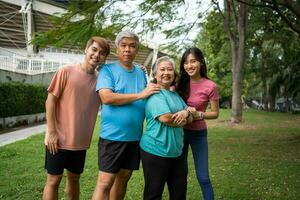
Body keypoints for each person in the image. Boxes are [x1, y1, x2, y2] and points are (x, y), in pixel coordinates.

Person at [92, 30, 161, 200]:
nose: (127, 49)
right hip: (112, 138)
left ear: (137, 50)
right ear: (117, 49)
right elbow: (106, 97)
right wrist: (140, 95)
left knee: (123, 179)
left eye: (132, 46)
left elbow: (150, 99)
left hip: (134, 138)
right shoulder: (108, 70)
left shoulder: (141, 72)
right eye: (123, 45)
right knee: (105, 181)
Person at [42, 36, 110, 200]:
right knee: (53, 180)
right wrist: (51, 132)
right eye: (94, 50)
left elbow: (111, 99)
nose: (96, 55)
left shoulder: (101, 80)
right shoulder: (66, 71)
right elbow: (50, 101)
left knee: (74, 179)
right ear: (86, 50)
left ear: (104, 58)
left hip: (80, 142)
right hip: (57, 139)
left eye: (102, 53)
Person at [140, 56, 193, 200]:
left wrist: (186, 112)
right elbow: (166, 119)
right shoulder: (155, 95)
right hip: (156, 152)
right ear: (155, 74)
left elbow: (191, 115)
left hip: (177, 153)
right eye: (162, 69)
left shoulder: (175, 95)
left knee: (179, 193)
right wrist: (186, 116)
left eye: (170, 69)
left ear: (174, 74)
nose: (166, 73)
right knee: (154, 194)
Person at [177, 47, 219, 200]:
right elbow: (161, 82)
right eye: (186, 63)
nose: (189, 66)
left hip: (198, 135)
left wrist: (198, 114)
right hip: (179, 133)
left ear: (201, 62)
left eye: (193, 61)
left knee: (203, 177)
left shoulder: (211, 86)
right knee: (179, 175)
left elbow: (215, 113)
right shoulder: (179, 82)